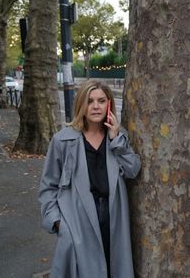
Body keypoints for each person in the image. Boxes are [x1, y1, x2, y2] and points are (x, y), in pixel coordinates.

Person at [39, 80, 141, 278]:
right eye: (90, 101)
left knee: (113, 269)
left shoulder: (118, 137)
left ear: (109, 104)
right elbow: (48, 186)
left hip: (113, 219)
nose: (96, 106)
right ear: (81, 105)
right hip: (78, 221)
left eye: (101, 101)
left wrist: (116, 140)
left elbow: (132, 170)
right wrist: (59, 224)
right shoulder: (63, 140)